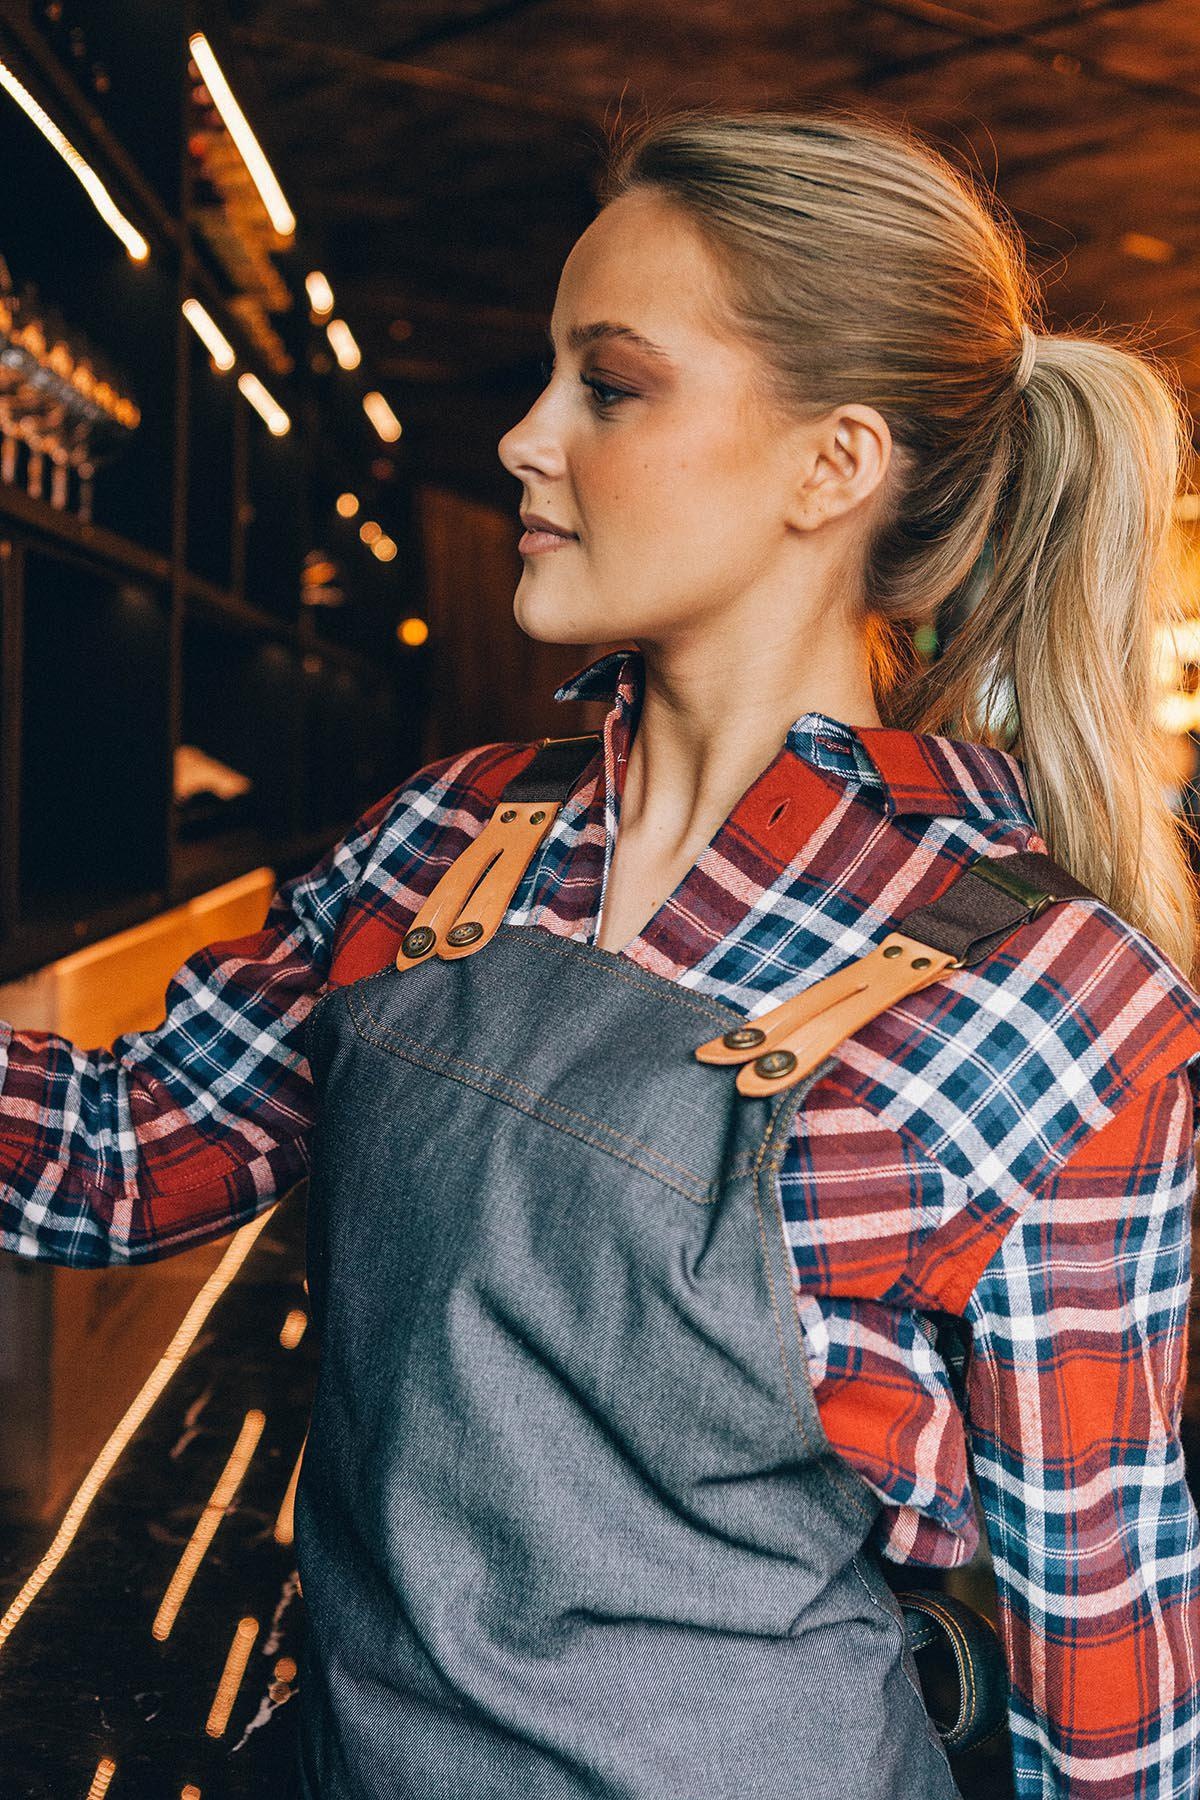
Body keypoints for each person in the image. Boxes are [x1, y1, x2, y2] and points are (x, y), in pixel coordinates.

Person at [3, 105, 1200, 1800]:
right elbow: (114, 1162)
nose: (520, 438)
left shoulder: (1055, 997)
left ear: (831, 464)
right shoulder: (440, 842)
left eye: (609, 386)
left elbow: (1107, 1624)